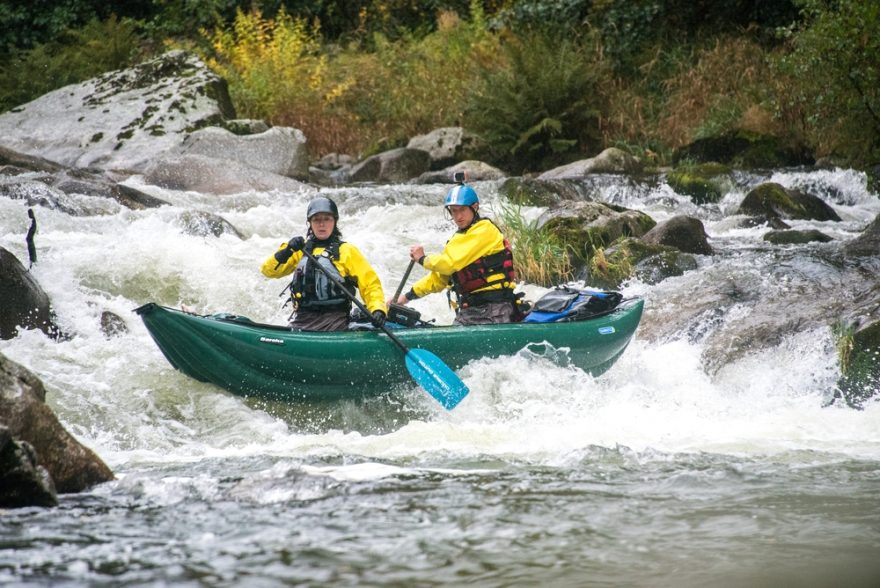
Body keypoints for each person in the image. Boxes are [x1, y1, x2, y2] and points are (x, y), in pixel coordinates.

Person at [387, 181, 520, 326]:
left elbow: (449, 264)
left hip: (495, 308)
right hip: (472, 310)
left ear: (475, 207)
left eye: (462, 209)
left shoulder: (484, 230)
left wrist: (423, 259)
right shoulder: (459, 239)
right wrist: (406, 297)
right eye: (453, 211)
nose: (458, 216)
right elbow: (438, 280)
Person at [261, 196, 386, 331]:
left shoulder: (347, 251)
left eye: (327, 219)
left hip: (335, 320)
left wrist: (378, 309)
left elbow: (370, 284)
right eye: (317, 219)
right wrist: (286, 251)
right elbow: (268, 271)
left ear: (334, 222)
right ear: (310, 223)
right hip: (302, 318)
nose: (322, 224)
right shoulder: (299, 249)